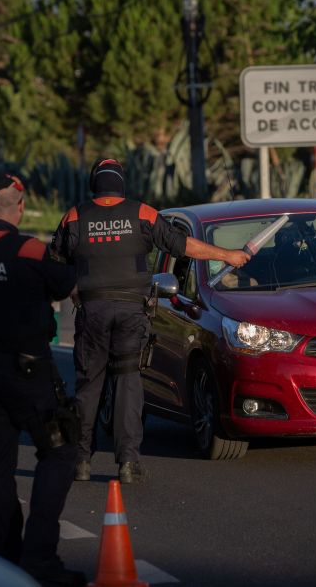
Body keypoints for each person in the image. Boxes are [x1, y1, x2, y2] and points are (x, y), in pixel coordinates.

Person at [51, 158, 249, 484]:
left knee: (89, 385)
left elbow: (54, 262)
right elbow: (182, 246)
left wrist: (71, 288)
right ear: (121, 184)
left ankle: (81, 461)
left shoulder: (75, 216)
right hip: (131, 313)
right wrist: (227, 255)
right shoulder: (143, 213)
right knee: (128, 383)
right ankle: (128, 463)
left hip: (93, 312)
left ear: (94, 185)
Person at [0, 173, 85, 587]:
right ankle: (39, 557)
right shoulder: (29, 248)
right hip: (27, 374)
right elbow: (65, 283)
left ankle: (5, 559)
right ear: (20, 204)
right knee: (61, 451)